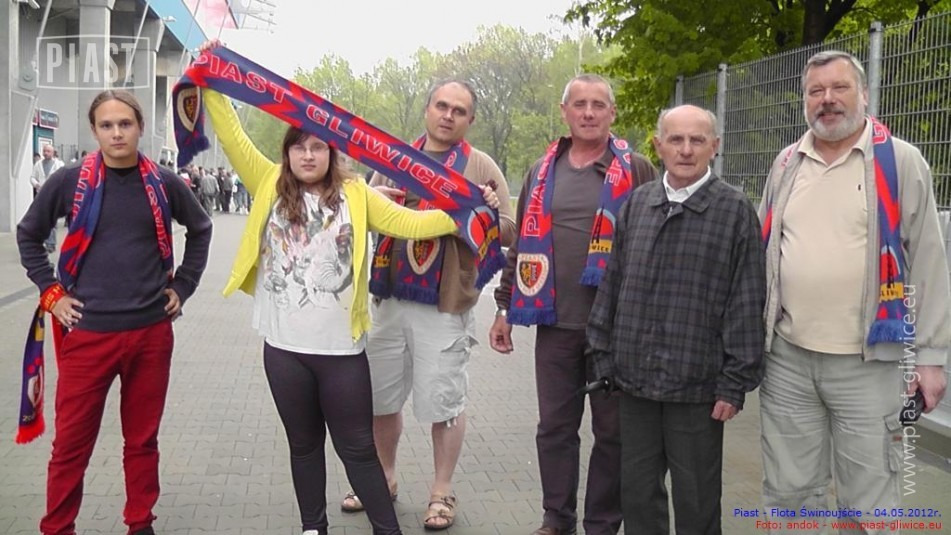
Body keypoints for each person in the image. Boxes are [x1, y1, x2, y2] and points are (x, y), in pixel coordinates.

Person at [199, 46, 502, 535]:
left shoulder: (357, 194)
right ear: (287, 152)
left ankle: (388, 528)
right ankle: (312, 527)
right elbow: (233, 137)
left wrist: (469, 213)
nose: (308, 155)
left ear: (332, 154)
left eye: (318, 147)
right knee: (303, 446)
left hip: (341, 351)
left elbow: (411, 223)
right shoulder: (267, 182)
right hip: (284, 349)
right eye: (299, 147)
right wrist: (211, 81)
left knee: (358, 448)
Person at [758, 50, 950, 530]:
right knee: (789, 494)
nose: (828, 99)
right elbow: (764, 254)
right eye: (816, 91)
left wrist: (930, 358)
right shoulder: (786, 163)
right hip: (788, 361)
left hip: (869, 366)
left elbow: (928, 262)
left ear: (863, 94)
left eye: (839, 88)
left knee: (869, 503)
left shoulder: (900, 161)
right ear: (805, 100)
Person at [17, 89, 212, 535]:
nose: (117, 133)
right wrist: (52, 294)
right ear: (94, 131)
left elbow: (201, 228)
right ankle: (57, 527)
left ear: (140, 127)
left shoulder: (164, 183)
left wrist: (184, 285)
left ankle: (140, 523)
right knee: (71, 445)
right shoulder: (69, 182)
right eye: (107, 125)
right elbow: (29, 235)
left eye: (125, 124)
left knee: (142, 440)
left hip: (151, 334)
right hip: (87, 336)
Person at [337, 78, 516, 530]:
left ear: (470, 119)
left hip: (445, 303)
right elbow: (363, 211)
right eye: (442, 105)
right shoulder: (395, 158)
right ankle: (383, 478)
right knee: (381, 398)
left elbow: (510, 231)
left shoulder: (480, 165)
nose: (448, 115)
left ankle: (441, 491)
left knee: (444, 401)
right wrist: (373, 201)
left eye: (459, 110)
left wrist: (485, 214)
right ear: (427, 109)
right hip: (389, 294)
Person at [490, 74, 657, 535]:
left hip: (615, 329)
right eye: (579, 104)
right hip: (555, 326)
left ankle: (602, 524)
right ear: (564, 112)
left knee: (613, 434)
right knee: (554, 429)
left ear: (612, 113)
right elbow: (520, 244)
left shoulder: (637, 169)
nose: (588, 112)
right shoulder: (542, 171)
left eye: (598, 104)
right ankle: (556, 519)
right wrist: (503, 308)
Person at [587, 104, 766, 534]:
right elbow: (612, 284)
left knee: (697, 499)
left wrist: (735, 382)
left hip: (697, 386)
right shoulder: (638, 204)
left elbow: (746, 300)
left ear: (714, 147)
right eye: (676, 140)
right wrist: (603, 355)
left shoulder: (734, 210)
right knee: (638, 494)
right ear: (659, 145)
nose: (686, 150)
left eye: (697, 140)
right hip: (635, 381)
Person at [30, 144, 64, 252]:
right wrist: (36, 184)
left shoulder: (59, 165)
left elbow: (64, 178)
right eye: (44, 151)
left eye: (48, 151)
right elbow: (32, 177)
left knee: (52, 220)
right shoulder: (38, 164)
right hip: (41, 194)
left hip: (54, 195)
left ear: (53, 152)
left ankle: (51, 243)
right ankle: (46, 241)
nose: (45, 153)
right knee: (42, 219)